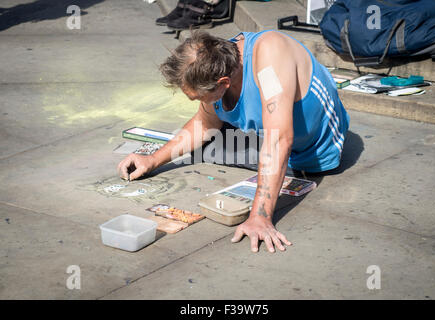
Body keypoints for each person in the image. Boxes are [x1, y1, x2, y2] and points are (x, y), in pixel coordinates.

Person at [117, 30, 350, 253]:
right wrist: (152, 159)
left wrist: (260, 216)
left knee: (216, 149)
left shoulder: (270, 56)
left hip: (312, 149)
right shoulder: (216, 58)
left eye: (197, 97)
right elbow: (205, 123)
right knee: (201, 145)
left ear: (224, 83)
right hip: (267, 134)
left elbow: (279, 138)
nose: (194, 101)